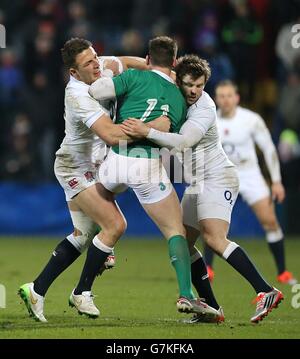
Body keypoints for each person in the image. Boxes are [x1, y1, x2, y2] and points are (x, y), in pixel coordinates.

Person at [120, 54, 283, 323]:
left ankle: (266, 290)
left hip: (219, 176)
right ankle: (212, 308)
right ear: (178, 80)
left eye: (200, 85)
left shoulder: (204, 107)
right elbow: (153, 69)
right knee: (183, 243)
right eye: (190, 85)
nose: (195, 91)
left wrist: (145, 131)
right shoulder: (172, 92)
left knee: (215, 239)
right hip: (198, 182)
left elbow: (184, 142)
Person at [18, 37, 166, 323]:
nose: (96, 64)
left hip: (96, 165)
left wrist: (159, 71)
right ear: (74, 72)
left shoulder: (98, 66)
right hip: (74, 167)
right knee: (115, 224)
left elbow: (124, 61)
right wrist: (149, 130)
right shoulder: (77, 95)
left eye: (95, 56)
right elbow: (110, 135)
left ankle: (36, 289)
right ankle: (82, 291)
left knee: (83, 236)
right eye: (88, 63)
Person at [89, 36, 222, 321]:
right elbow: (170, 133)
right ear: (174, 63)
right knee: (176, 231)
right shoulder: (179, 95)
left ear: (148, 59)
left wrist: (121, 65)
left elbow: (97, 89)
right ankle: (187, 294)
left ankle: (106, 247)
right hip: (145, 165)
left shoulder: (135, 75)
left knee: (102, 197)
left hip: (113, 160)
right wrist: (150, 127)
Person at [203, 80, 297, 286]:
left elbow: (269, 149)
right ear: (216, 99)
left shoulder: (251, 120)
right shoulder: (210, 119)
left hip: (249, 174)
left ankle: (282, 272)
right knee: (211, 221)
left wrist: (276, 181)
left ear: (237, 98)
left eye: (229, 96)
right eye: (221, 96)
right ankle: (208, 268)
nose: (225, 100)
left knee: (270, 222)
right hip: (221, 175)